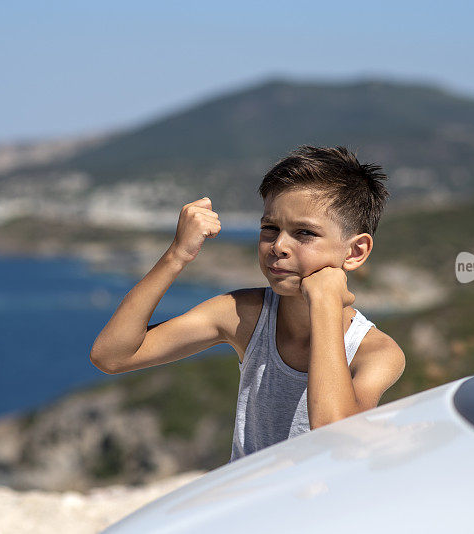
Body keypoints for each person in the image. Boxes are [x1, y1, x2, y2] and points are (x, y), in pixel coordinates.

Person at [89, 145, 406, 463]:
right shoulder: (245, 315)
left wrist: (324, 301)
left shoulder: (376, 353)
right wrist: (177, 254)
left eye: (305, 233)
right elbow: (112, 356)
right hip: (249, 510)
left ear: (355, 252)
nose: (279, 245)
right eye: (270, 228)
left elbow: (334, 434)